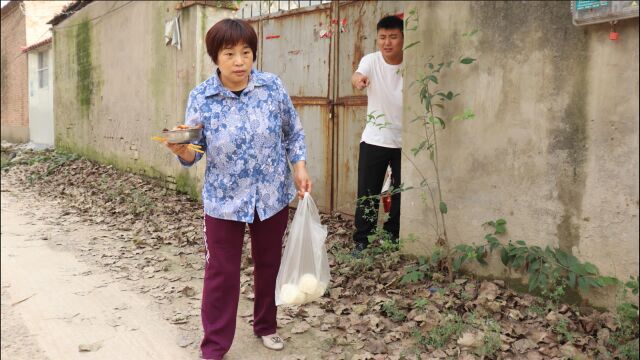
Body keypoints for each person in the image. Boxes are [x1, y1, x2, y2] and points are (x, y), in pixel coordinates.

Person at [162, 18, 312, 360]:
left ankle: (266, 325)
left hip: (272, 195)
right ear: (216, 57)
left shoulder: (272, 87)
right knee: (221, 271)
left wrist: (299, 168)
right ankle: (215, 345)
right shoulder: (202, 96)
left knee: (269, 263)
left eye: (246, 52)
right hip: (224, 200)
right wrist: (181, 149)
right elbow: (193, 152)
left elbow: (293, 133)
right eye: (229, 53)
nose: (240, 61)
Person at [351, 15, 404, 255]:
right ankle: (362, 240)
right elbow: (356, 75)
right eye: (383, 37)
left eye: (393, 37)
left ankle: (394, 236)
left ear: (402, 38)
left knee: (401, 192)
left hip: (406, 141)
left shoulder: (412, 62)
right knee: (368, 192)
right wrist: (359, 80)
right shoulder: (371, 60)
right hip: (375, 138)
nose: (387, 42)